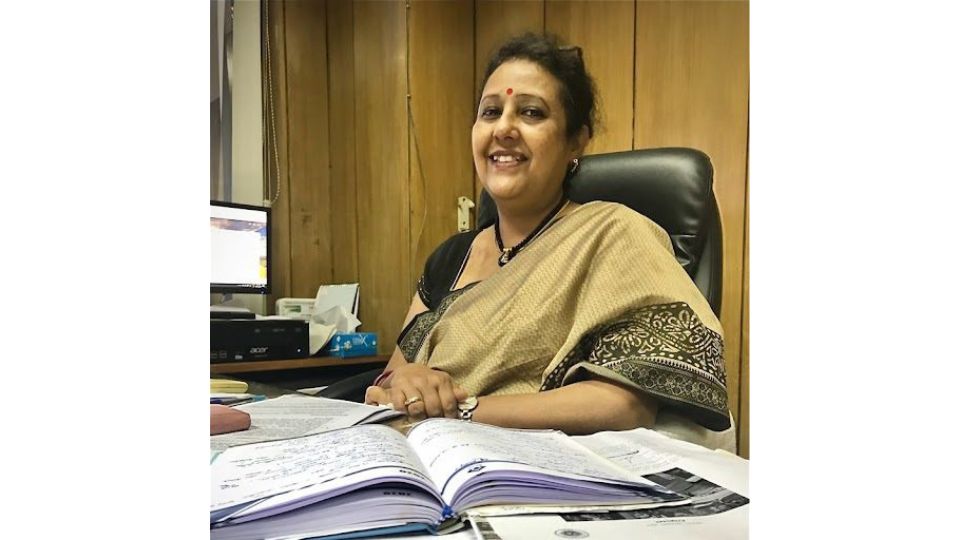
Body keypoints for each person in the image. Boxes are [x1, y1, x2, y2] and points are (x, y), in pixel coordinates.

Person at [365, 33, 731, 446]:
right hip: (416, 453)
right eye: (490, 112)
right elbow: (393, 377)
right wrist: (408, 380)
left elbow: (626, 402)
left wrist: (458, 413)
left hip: (526, 461)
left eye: (531, 112)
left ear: (576, 140)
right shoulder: (449, 257)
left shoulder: (613, 234)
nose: (504, 128)